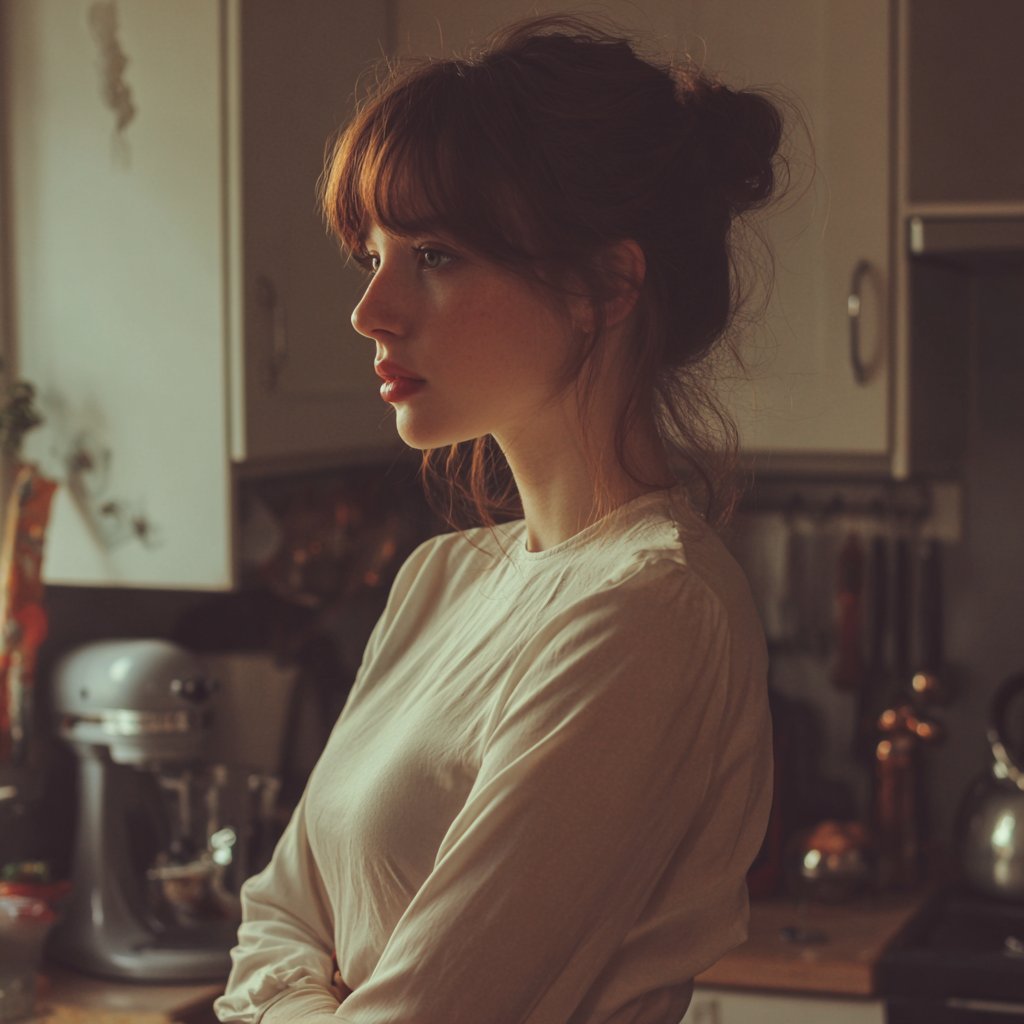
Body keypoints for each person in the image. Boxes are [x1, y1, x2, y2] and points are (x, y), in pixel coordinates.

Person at [215, 14, 783, 1024]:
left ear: (604, 285)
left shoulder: (651, 610)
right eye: (373, 252)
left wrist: (301, 996)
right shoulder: (439, 578)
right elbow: (273, 917)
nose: (370, 310)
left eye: (432, 253)